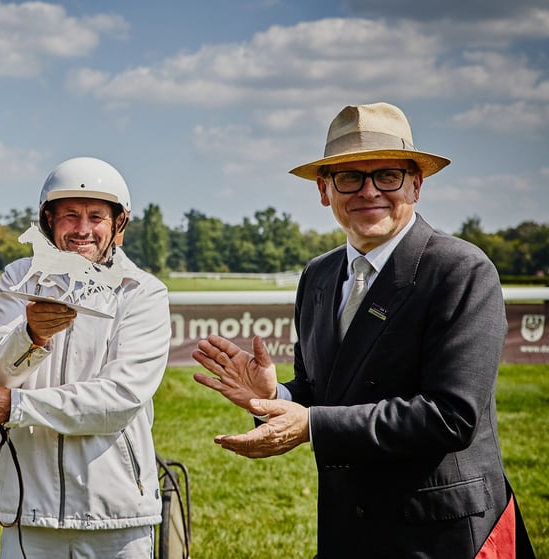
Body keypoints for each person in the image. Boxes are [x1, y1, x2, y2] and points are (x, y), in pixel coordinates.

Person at [193, 103, 534, 558]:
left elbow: (452, 416)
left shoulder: (460, 270)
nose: (368, 191)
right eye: (350, 177)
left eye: (387, 175)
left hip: (440, 538)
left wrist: (310, 424)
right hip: (347, 532)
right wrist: (279, 397)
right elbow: (326, 390)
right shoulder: (318, 274)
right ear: (324, 189)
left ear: (416, 183)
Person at [0, 156, 171, 558]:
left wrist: (16, 405)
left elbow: (119, 400)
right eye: (70, 215)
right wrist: (31, 335)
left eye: (96, 216)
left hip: (116, 517)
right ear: (48, 221)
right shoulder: (17, 278)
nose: (82, 229)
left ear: (118, 226)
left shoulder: (143, 293)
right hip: (27, 513)